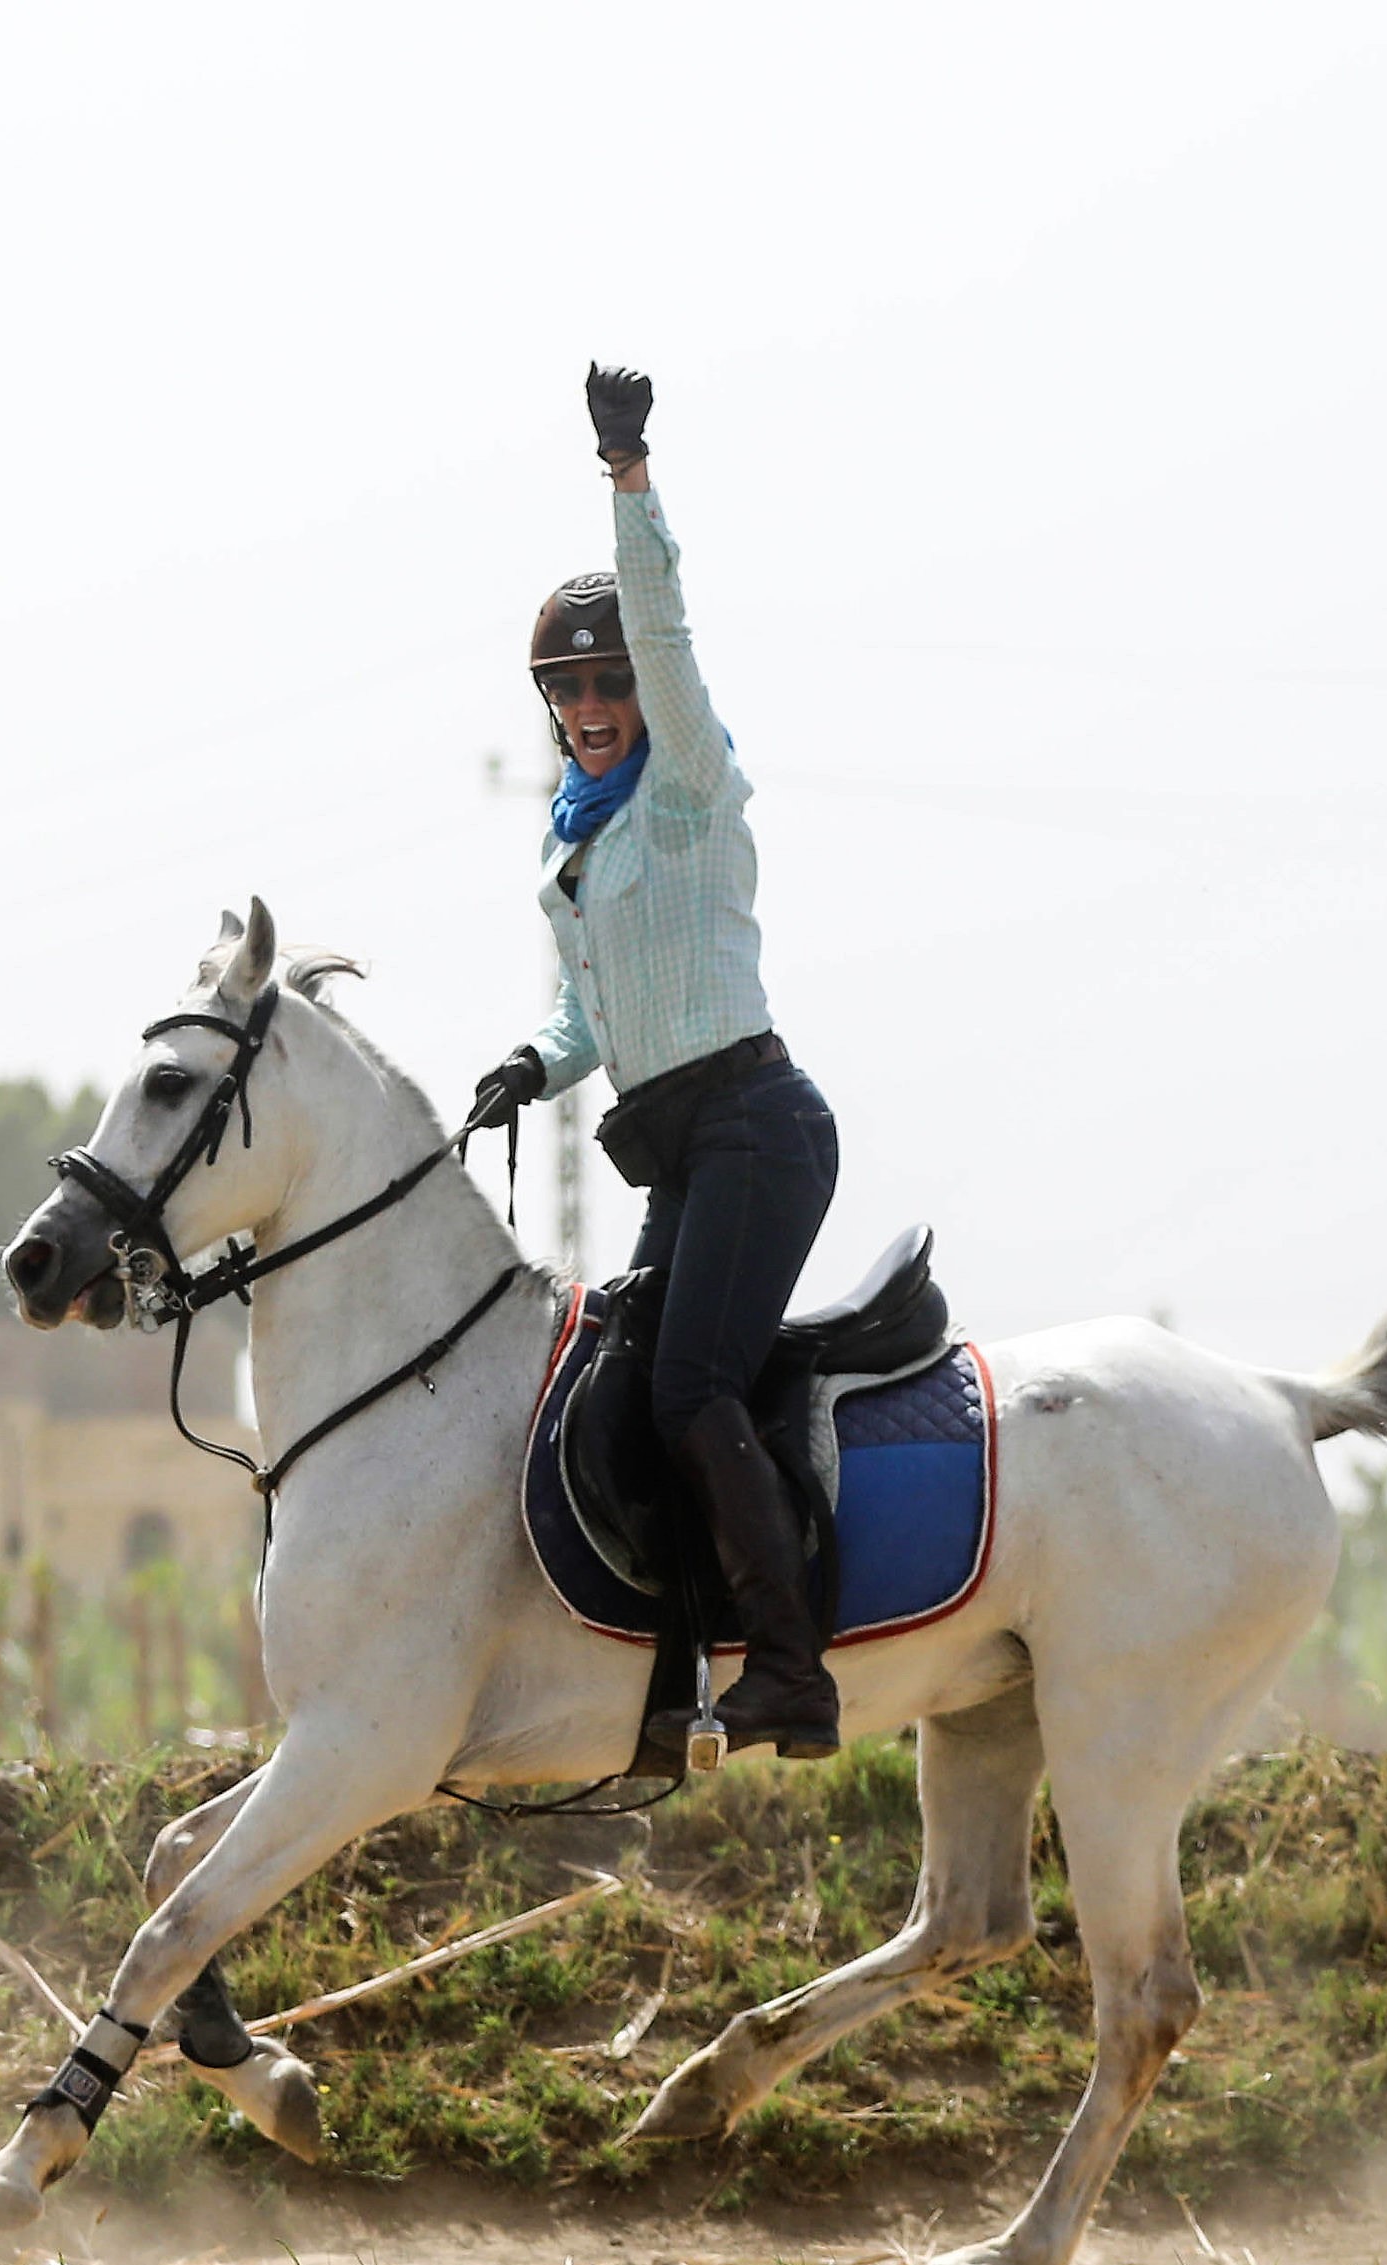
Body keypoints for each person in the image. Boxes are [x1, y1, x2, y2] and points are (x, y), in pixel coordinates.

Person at [473, 365, 840, 1756]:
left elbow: (670, 629)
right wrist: (532, 1065)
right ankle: (681, 1665)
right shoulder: (577, 840)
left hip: (756, 1125)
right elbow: (589, 1022)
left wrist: (627, 473)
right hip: (681, 1146)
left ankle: (797, 1671)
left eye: (608, 682)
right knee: (629, 1387)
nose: (589, 707)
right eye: (565, 689)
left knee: (690, 1387)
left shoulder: (689, 788)